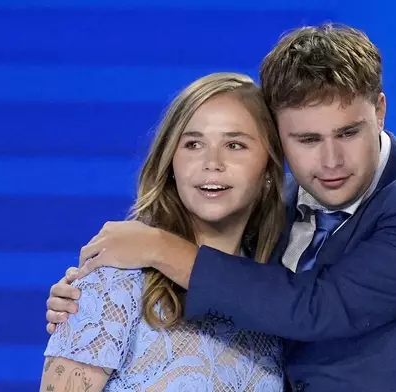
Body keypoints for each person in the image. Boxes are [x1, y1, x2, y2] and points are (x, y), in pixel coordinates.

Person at [46, 24, 396, 391]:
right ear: (278, 141)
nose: (331, 161)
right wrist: (88, 300)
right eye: (307, 140)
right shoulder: (276, 216)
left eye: (349, 133)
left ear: (381, 110)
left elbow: (318, 307)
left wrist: (159, 246)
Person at [39, 72, 287, 391]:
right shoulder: (115, 280)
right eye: (193, 144)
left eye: (235, 144)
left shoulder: (278, 300)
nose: (212, 162)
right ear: (171, 163)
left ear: (268, 167)